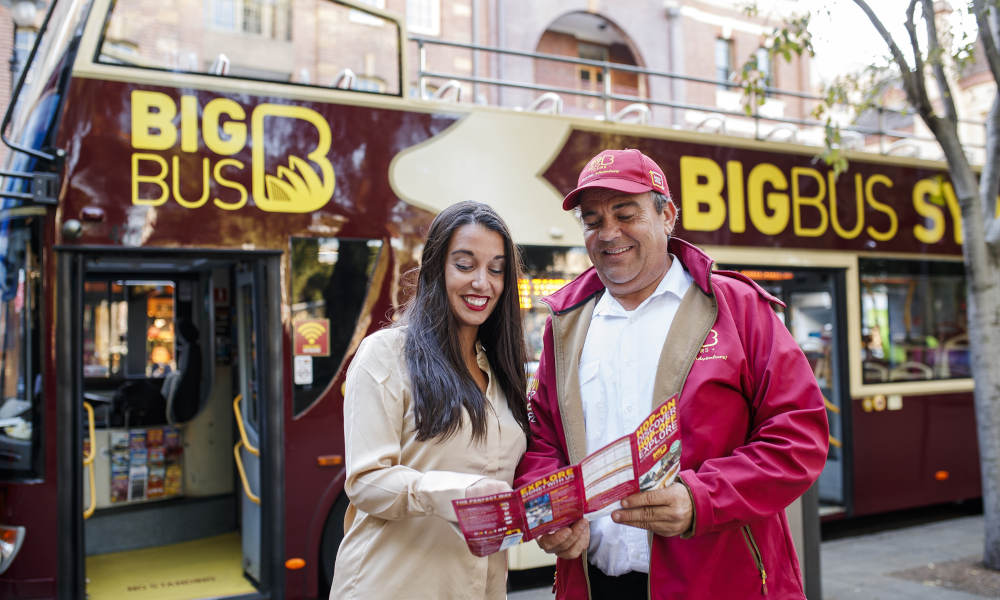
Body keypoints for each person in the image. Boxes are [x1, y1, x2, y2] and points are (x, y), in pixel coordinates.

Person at [514, 149, 829, 599]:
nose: (608, 233)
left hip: (720, 583)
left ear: (667, 216)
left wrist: (701, 499)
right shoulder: (564, 326)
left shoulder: (737, 308)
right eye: (592, 220)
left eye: (626, 214)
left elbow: (799, 437)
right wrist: (549, 509)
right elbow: (541, 439)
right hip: (592, 583)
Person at [330, 201, 532, 599]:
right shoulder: (385, 355)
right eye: (465, 264)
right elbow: (366, 483)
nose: (482, 282)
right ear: (435, 269)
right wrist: (458, 494)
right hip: (390, 585)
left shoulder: (503, 370)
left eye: (496, 269)